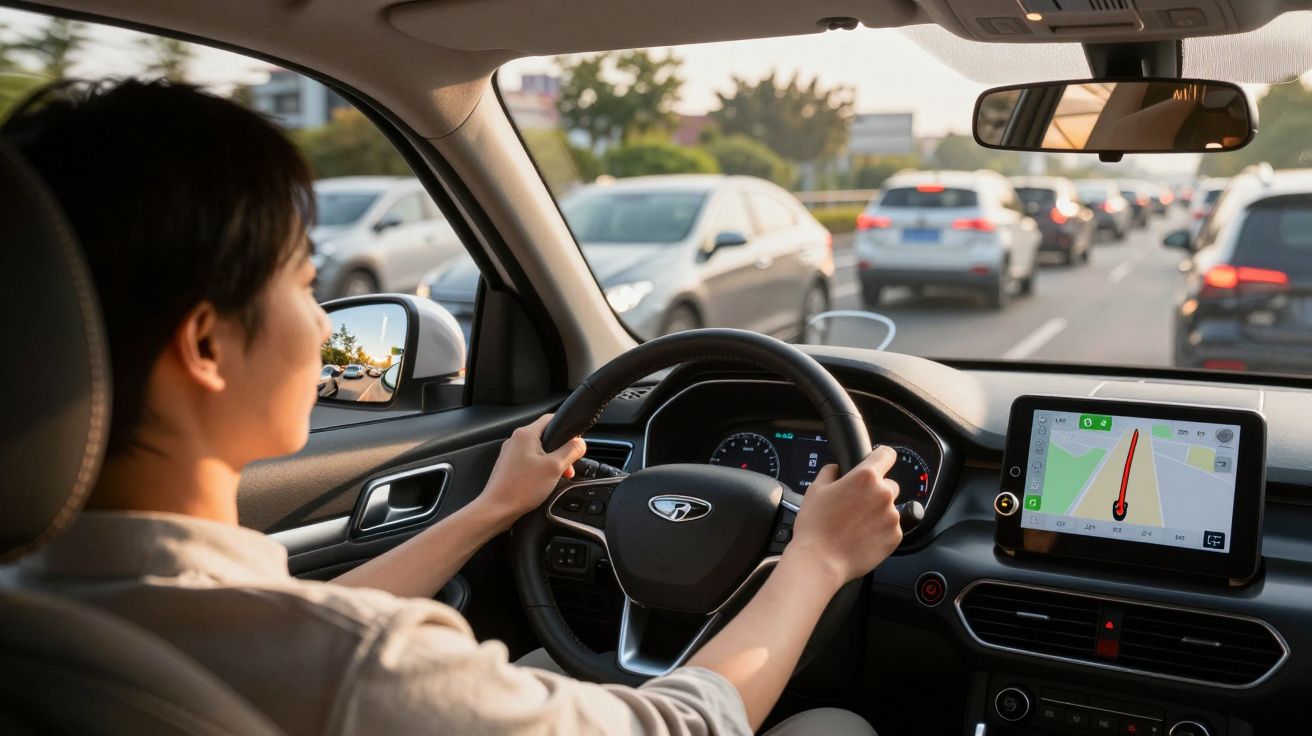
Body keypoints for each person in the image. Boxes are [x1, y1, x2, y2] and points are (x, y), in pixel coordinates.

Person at [0, 79, 904, 735]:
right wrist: (817, 558)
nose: (324, 325)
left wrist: (490, 510)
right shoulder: (366, 672)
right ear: (204, 346)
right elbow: (685, 725)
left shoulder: (49, 603)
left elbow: (282, 625)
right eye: (305, 287)